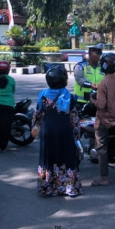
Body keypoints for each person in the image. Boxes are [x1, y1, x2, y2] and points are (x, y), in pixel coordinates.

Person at [33, 63, 83, 197]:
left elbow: (37, 115)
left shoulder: (42, 95)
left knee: (49, 158)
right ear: (64, 80)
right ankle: (69, 189)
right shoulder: (69, 96)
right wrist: (77, 135)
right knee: (67, 158)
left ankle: (47, 188)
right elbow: (74, 119)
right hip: (65, 132)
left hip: (48, 132)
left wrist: (36, 126)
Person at [89, 52, 115, 187]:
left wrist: (93, 100)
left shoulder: (103, 83)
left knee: (101, 148)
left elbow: (101, 104)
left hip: (105, 120)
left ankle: (104, 178)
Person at [73, 43, 105, 110]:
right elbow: (79, 79)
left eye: (100, 53)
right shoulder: (81, 66)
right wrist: (91, 85)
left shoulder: (102, 68)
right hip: (81, 102)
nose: (99, 55)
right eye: (97, 53)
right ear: (90, 53)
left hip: (97, 102)